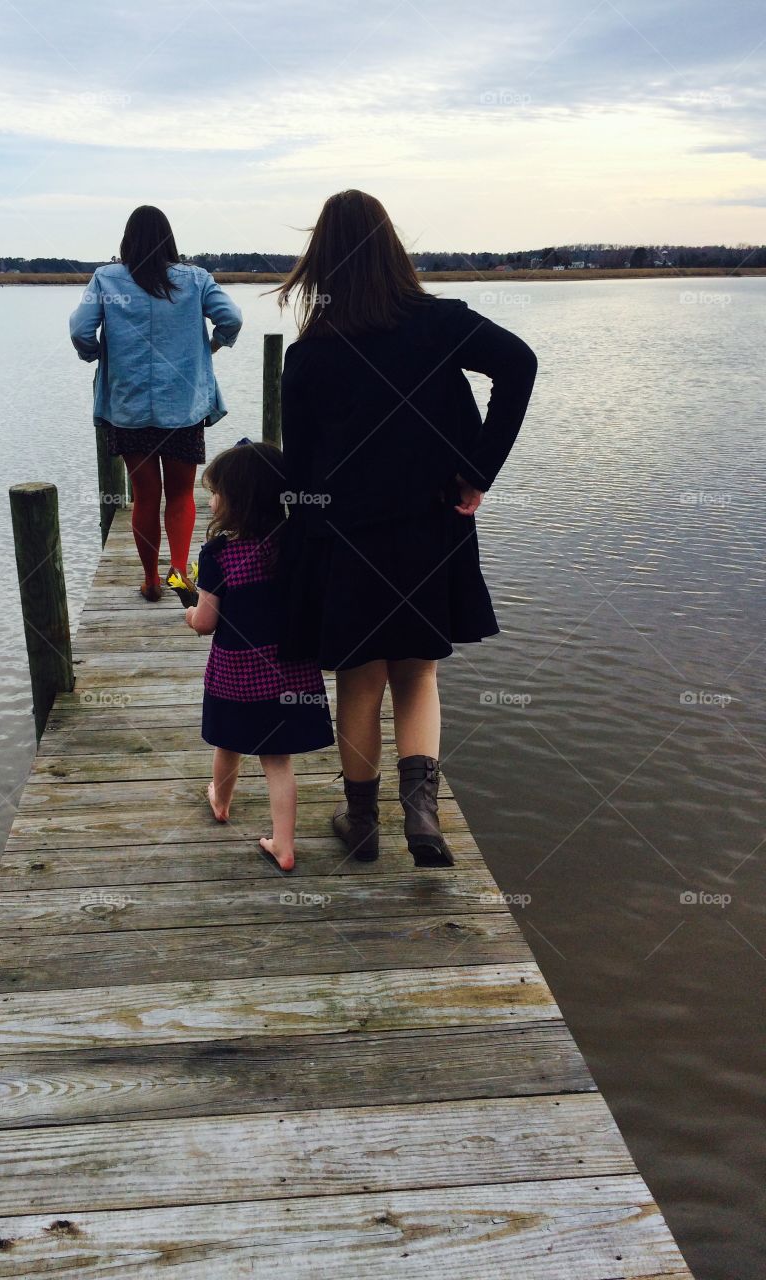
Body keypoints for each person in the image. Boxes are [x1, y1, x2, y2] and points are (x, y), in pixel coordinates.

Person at [274, 189, 538, 869]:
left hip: (346, 538)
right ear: (393, 250)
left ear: (321, 265)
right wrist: (478, 470)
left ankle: (360, 822)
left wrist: (289, 564)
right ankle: (421, 813)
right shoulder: (439, 322)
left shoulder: (307, 357)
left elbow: (298, 476)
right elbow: (520, 364)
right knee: (417, 672)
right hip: (429, 528)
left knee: (360, 676)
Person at [69, 205, 243, 604]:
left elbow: (80, 330)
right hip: (182, 405)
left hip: (129, 407)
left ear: (127, 240)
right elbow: (231, 318)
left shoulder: (105, 278)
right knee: (181, 495)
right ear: (170, 239)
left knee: (144, 495)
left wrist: (95, 354)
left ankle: (149, 581)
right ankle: (179, 574)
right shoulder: (195, 279)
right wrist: (211, 346)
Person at [184, 440, 335, 872]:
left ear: (237, 500)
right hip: (289, 670)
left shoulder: (218, 555)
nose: (210, 499)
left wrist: (190, 614)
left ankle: (221, 801)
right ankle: (284, 846)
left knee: (227, 740)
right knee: (277, 760)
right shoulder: (294, 544)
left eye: (215, 491)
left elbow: (206, 622)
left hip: (236, 673)